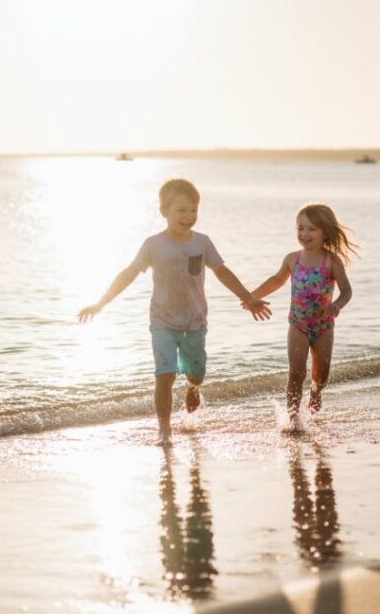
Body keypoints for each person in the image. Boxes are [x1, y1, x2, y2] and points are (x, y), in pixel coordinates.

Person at [78, 178, 271, 441]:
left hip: (195, 321)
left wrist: (248, 298)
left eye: (193, 210)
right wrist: (101, 303)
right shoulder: (153, 244)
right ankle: (164, 429)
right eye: (181, 210)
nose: (189, 216)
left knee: (196, 374)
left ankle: (192, 387)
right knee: (165, 374)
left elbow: (222, 272)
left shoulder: (202, 243)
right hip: (163, 321)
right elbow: (129, 273)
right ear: (164, 212)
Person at [247, 204, 358, 429]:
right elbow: (276, 280)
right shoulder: (292, 259)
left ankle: (316, 392)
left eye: (312, 229)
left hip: (324, 327)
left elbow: (347, 290)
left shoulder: (331, 261)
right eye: (300, 228)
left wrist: (337, 305)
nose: (304, 234)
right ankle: (293, 418)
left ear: (325, 232)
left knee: (321, 375)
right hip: (297, 324)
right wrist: (251, 296)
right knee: (296, 372)